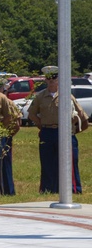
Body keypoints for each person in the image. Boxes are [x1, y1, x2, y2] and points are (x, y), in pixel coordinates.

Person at [29, 65, 88, 194]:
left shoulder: (67, 95)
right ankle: (48, 189)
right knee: (47, 162)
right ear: (45, 80)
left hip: (64, 132)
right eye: (48, 78)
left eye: (54, 78)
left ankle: (73, 189)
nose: (51, 80)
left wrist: (73, 131)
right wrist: (41, 126)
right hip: (48, 132)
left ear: (58, 79)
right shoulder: (40, 96)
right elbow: (32, 114)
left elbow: (83, 117)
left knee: (69, 163)